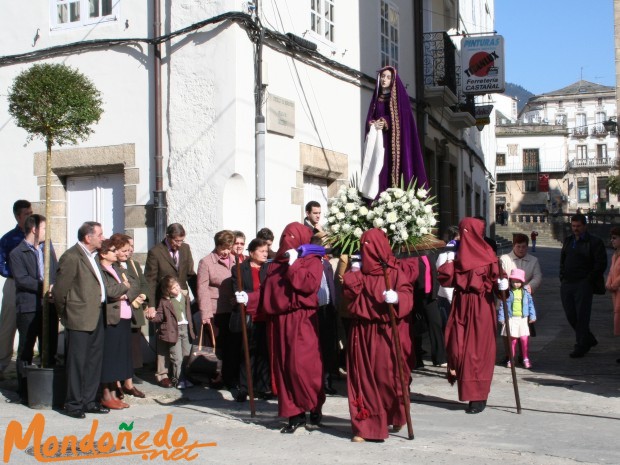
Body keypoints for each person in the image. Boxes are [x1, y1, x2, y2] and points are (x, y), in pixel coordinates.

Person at [342, 228, 415, 442]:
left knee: (388, 377)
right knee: (363, 379)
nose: (366, 251)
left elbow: (408, 295)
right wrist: (354, 273)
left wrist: (398, 298)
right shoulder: (359, 273)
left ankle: (395, 414)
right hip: (362, 332)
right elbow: (348, 296)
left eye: (369, 246)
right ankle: (366, 426)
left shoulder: (394, 272)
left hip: (387, 332)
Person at [261, 222, 325, 433]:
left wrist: (295, 264)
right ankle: (294, 414)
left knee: (304, 366)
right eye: (285, 237)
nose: (288, 241)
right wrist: (248, 300)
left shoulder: (312, 260)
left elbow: (307, 286)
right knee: (285, 368)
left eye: (292, 236)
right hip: (281, 322)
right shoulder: (275, 264)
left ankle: (314, 404)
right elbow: (268, 294)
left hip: (303, 319)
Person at [438, 217, 502, 414]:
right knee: (458, 346)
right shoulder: (456, 254)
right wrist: (449, 257)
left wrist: (503, 285)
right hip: (461, 304)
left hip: (482, 306)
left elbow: (499, 280)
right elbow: (445, 279)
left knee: (478, 352)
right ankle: (464, 383)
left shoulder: (489, 254)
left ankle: (478, 397)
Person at [53, 221, 109, 418]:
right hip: (79, 317)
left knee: (94, 361)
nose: (103, 237)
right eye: (100, 234)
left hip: (97, 315)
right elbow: (60, 291)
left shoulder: (93, 257)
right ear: (88, 237)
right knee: (77, 363)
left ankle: (89, 400)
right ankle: (74, 403)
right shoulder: (71, 257)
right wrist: (65, 313)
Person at [8, 214, 57, 402]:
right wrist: (45, 287)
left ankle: (50, 386)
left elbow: (55, 270)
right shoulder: (17, 253)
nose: (47, 232)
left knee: (49, 345)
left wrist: (54, 287)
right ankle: (25, 389)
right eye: (44, 228)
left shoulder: (47, 248)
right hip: (28, 307)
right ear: (34, 229)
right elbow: (22, 280)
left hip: (49, 305)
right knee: (26, 349)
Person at [360, 66, 427, 199]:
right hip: (379, 141)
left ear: (393, 80)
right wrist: (373, 123)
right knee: (378, 169)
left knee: (390, 168)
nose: (384, 79)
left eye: (388, 77)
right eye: (383, 76)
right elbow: (370, 118)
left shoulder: (399, 99)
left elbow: (402, 119)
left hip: (394, 143)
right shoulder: (376, 98)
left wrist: (385, 121)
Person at [144, 223, 197, 388]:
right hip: (164, 301)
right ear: (168, 236)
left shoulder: (185, 249)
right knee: (164, 338)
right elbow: (150, 280)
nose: (179, 244)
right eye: (176, 241)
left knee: (183, 338)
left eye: (181, 240)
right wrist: (151, 305)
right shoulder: (156, 252)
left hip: (181, 299)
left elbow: (189, 273)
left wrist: (199, 297)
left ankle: (182, 374)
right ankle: (162, 374)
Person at [560, 214, 607, 358]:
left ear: (584, 226)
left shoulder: (594, 242)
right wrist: (562, 276)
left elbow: (601, 263)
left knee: (582, 315)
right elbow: (563, 260)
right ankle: (588, 338)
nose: (575, 229)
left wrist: (588, 279)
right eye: (573, 226)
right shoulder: (568, 240)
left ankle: (581, 345)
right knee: (570, 314)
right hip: (567, 283)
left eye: (578, 226)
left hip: (583, 283)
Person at [230, 238, 271, 401]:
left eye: (266, 251)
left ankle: (263, 386)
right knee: (247, 352)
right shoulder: (239, 269)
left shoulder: (269, 268)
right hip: (249, 316)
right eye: (261, 251)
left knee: (263, 352)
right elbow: (237, 290)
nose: (265, 254)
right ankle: (245, 387)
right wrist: (243, 297)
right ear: (252, 252)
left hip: (265, 315)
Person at [197, 230, 238, 389]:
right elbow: (202, 288)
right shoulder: (206, 262)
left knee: (232, 345)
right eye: (223, 248)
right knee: (218, 346)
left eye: (229, 248)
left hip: (232, 309)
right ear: (217, 245)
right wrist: (205, 313)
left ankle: (230, 376)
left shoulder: (235, 260)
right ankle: (217, 376)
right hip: (215, 310)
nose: (226, 252)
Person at [109, 233, 146, 398]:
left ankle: (128, 384)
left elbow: (137, 283)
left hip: (130, 311)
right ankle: (116, 384)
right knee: (117, 351)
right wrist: (124, 292)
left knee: (128, 350)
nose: (128, 252)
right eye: (124, 250)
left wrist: (129, 294)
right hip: (116, 313)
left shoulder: (129, 265)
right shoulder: (111, 265)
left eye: (129, 249)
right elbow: (112, 289)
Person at [98, 239, 132, 409]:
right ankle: (106, 394)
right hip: (111, 317)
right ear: (104, 254)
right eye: (113, 251)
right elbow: (109, 292)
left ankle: (114, 392)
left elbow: (130, 286)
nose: (116, 253)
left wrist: (124, 290)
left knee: (119, 357)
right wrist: (123, 288)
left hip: (124, 316)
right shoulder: (101, 270)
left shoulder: (117, 268)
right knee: (109, 358)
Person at [0, 200, 33, 380]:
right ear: (18, 216)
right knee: (8, 324)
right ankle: (2, 364)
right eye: (26, 214)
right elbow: (0, 263)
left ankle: (31, 364)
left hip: (34, 284)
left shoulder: (37, 236)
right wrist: (16, 273)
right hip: (14, 284)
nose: (30, 216)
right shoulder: (8, 239)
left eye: (31, 212)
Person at [148, 275, 196, 389]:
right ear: (167, 290)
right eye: (173, 288)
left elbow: (189, 313)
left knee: (186, 355)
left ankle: (186, 377)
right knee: (177, 357)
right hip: (173, 331)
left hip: (186, 328)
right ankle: (178, 379)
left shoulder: (185, 297)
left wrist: (193, 328)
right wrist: (152, 317)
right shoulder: (165, 301)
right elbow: (160, 315)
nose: (177, 289)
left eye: (177, 286)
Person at [498, 268, 537, 369]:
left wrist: (532, 315)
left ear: (522, 282)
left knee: (524, 339)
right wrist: (502, 316)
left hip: (523, 318)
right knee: (513, 340)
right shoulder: (508, 292)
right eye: (514, 282)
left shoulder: (525, 292)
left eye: (518, 282)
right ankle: (511, 358)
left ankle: (525, 358)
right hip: (512, 318)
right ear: (510, 281)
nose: (516, 284)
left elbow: (530, 304)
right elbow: (503, 304)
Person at [606, 227, 620, 364]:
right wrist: (608, 283)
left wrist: (614, 284)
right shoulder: (615, 255)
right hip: (616, 293)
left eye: (615, 238)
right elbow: (611, 272)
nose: (612, 241)